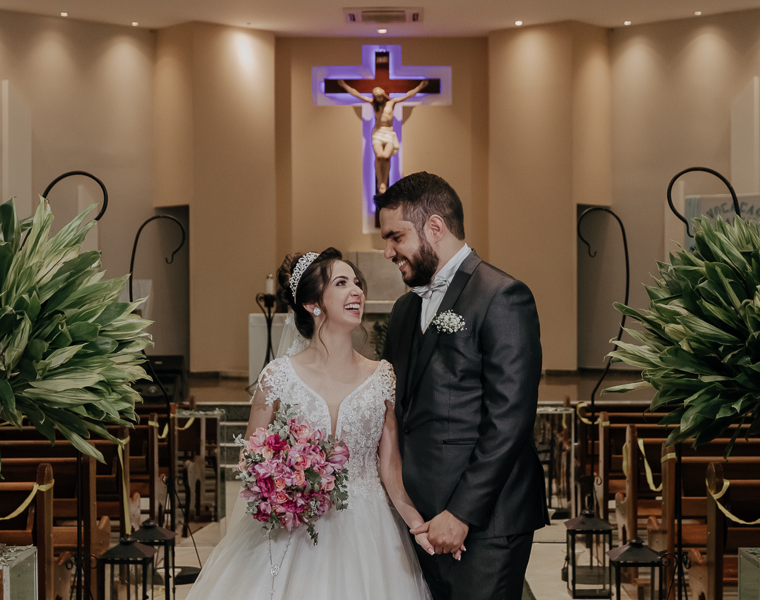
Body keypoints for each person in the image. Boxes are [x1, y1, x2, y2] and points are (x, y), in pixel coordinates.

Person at [187, 247, 434, 600]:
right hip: (293, 530)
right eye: (342, 282)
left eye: (357, 283)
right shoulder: (277, 377)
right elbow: (250, 460)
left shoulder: (383, 377)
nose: (357, 291)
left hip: (370, 531)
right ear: (313, 304)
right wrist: (281, 487)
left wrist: (416, 524)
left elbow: (390, 469)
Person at [378, 172, 549, 600]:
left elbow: (509, 420)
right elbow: (401, 412)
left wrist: (460, 513)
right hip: (419, 523)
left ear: (434, 227)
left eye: (395, 236)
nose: (387, 252)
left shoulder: (503, 296)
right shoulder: (403, 311)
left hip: (484, 522)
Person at [337, 79, 428, 194]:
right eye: (376, 95)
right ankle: (381, 183)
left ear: (384, 94)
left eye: (380, 94)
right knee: (379, 156)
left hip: (389, 133)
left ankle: (385, 181)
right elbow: (357, 94)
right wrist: (344, 85)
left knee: (386, 157)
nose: (378, 97)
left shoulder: (392, 103)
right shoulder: (373, 103)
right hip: (377, 133)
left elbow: (408, 95)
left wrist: (420, 86)